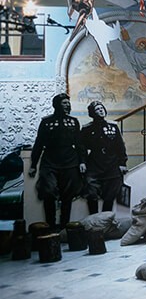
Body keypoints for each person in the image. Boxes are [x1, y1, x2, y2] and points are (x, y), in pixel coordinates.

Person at [28, 93, 85, 230]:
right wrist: (33, 165)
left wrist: (82, 161)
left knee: (68, 195)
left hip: (70, 161)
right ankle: (51, 225)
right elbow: (38, 144)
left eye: (68, 103)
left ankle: (64, 227)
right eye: (64, 103)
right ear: (56, 105)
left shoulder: (73, 121)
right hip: (50, 160)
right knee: (48, 192)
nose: (67, 105)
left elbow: (79, 144)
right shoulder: (46, 122)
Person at [80, 101, 128, 213]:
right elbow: (81, 148)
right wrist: (82, 162)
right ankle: (94, 219)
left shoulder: (113, 126)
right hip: (95, 164)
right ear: (92, 113)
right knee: (91, 193)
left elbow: (120, 146)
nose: (101, 110)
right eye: (97, 109)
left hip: (111, 164)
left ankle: (106, 219)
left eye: (102, 108)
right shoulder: (87, 129)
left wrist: (122, 163)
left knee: (110, 195)